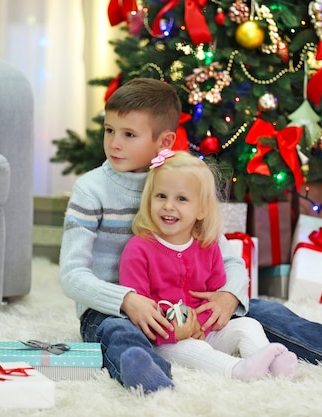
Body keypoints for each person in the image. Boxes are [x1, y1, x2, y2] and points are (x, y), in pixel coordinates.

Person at [59, 77, 322, 394]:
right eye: (110, 130)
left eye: (129, 134)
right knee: (118, 333)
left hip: (187, 303)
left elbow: (227, 255)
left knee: (268, 312)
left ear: (164, 141)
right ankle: (152, 376)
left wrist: (230, 296)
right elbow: (72, 275)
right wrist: (128, 300)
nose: (113, 142)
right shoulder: (91, 189)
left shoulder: (184, 180)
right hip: (111, 306)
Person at [118, 149, 298, 382]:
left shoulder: (208, 247)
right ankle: (238, 370)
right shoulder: (138, 249)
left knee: (248, 325)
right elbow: (139, 311)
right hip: (163, 341)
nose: (168, 206)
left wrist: (202, 326)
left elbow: (215, 297)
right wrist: (175, 332)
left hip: (205, 332)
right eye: (161, 196)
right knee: (196, 351)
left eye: (181, 199)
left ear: (201, 210)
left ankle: (269, 366)